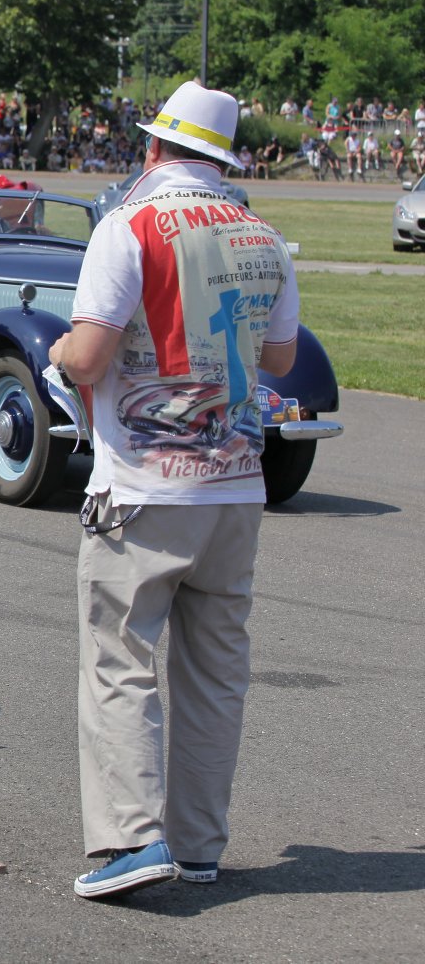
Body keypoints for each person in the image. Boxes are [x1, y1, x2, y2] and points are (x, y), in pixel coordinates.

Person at [47, 80, 302, 901]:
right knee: (216, 672)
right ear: (222, 159)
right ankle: (197, 843)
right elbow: (281, 358)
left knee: (120, 661)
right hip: (235, 482)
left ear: (155, 146)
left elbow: (89, 357)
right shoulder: (264, 234)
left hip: (145, 483)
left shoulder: (128, 225)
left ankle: (130, 838)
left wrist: (59, 353)